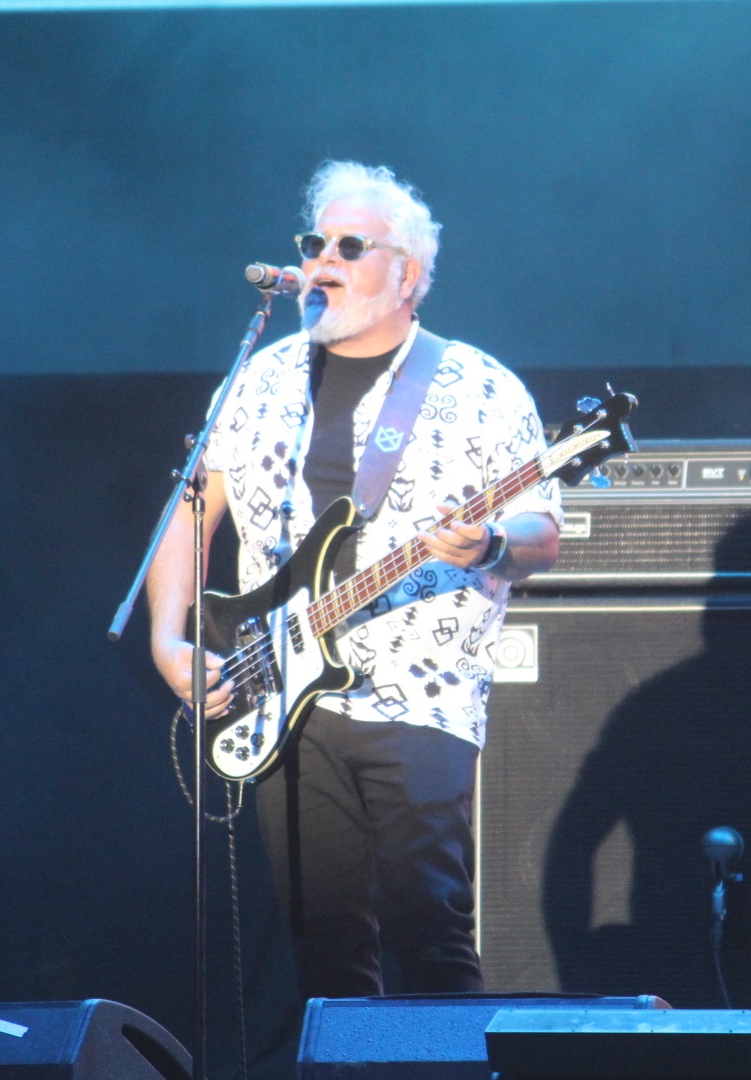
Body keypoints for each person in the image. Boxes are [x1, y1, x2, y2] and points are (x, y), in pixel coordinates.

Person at [148, 161, 562, 998]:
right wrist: (166, 638)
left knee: (431, 931)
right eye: (314, 244)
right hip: (281, 693)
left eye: (348, 247)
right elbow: (190, 513)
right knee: (325, 951)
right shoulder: (261, 378)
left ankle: (445, 1058)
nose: (322, 261)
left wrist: (486, 543)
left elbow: (542, 532)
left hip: (420, 695)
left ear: (408, 276)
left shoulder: (480, 388)